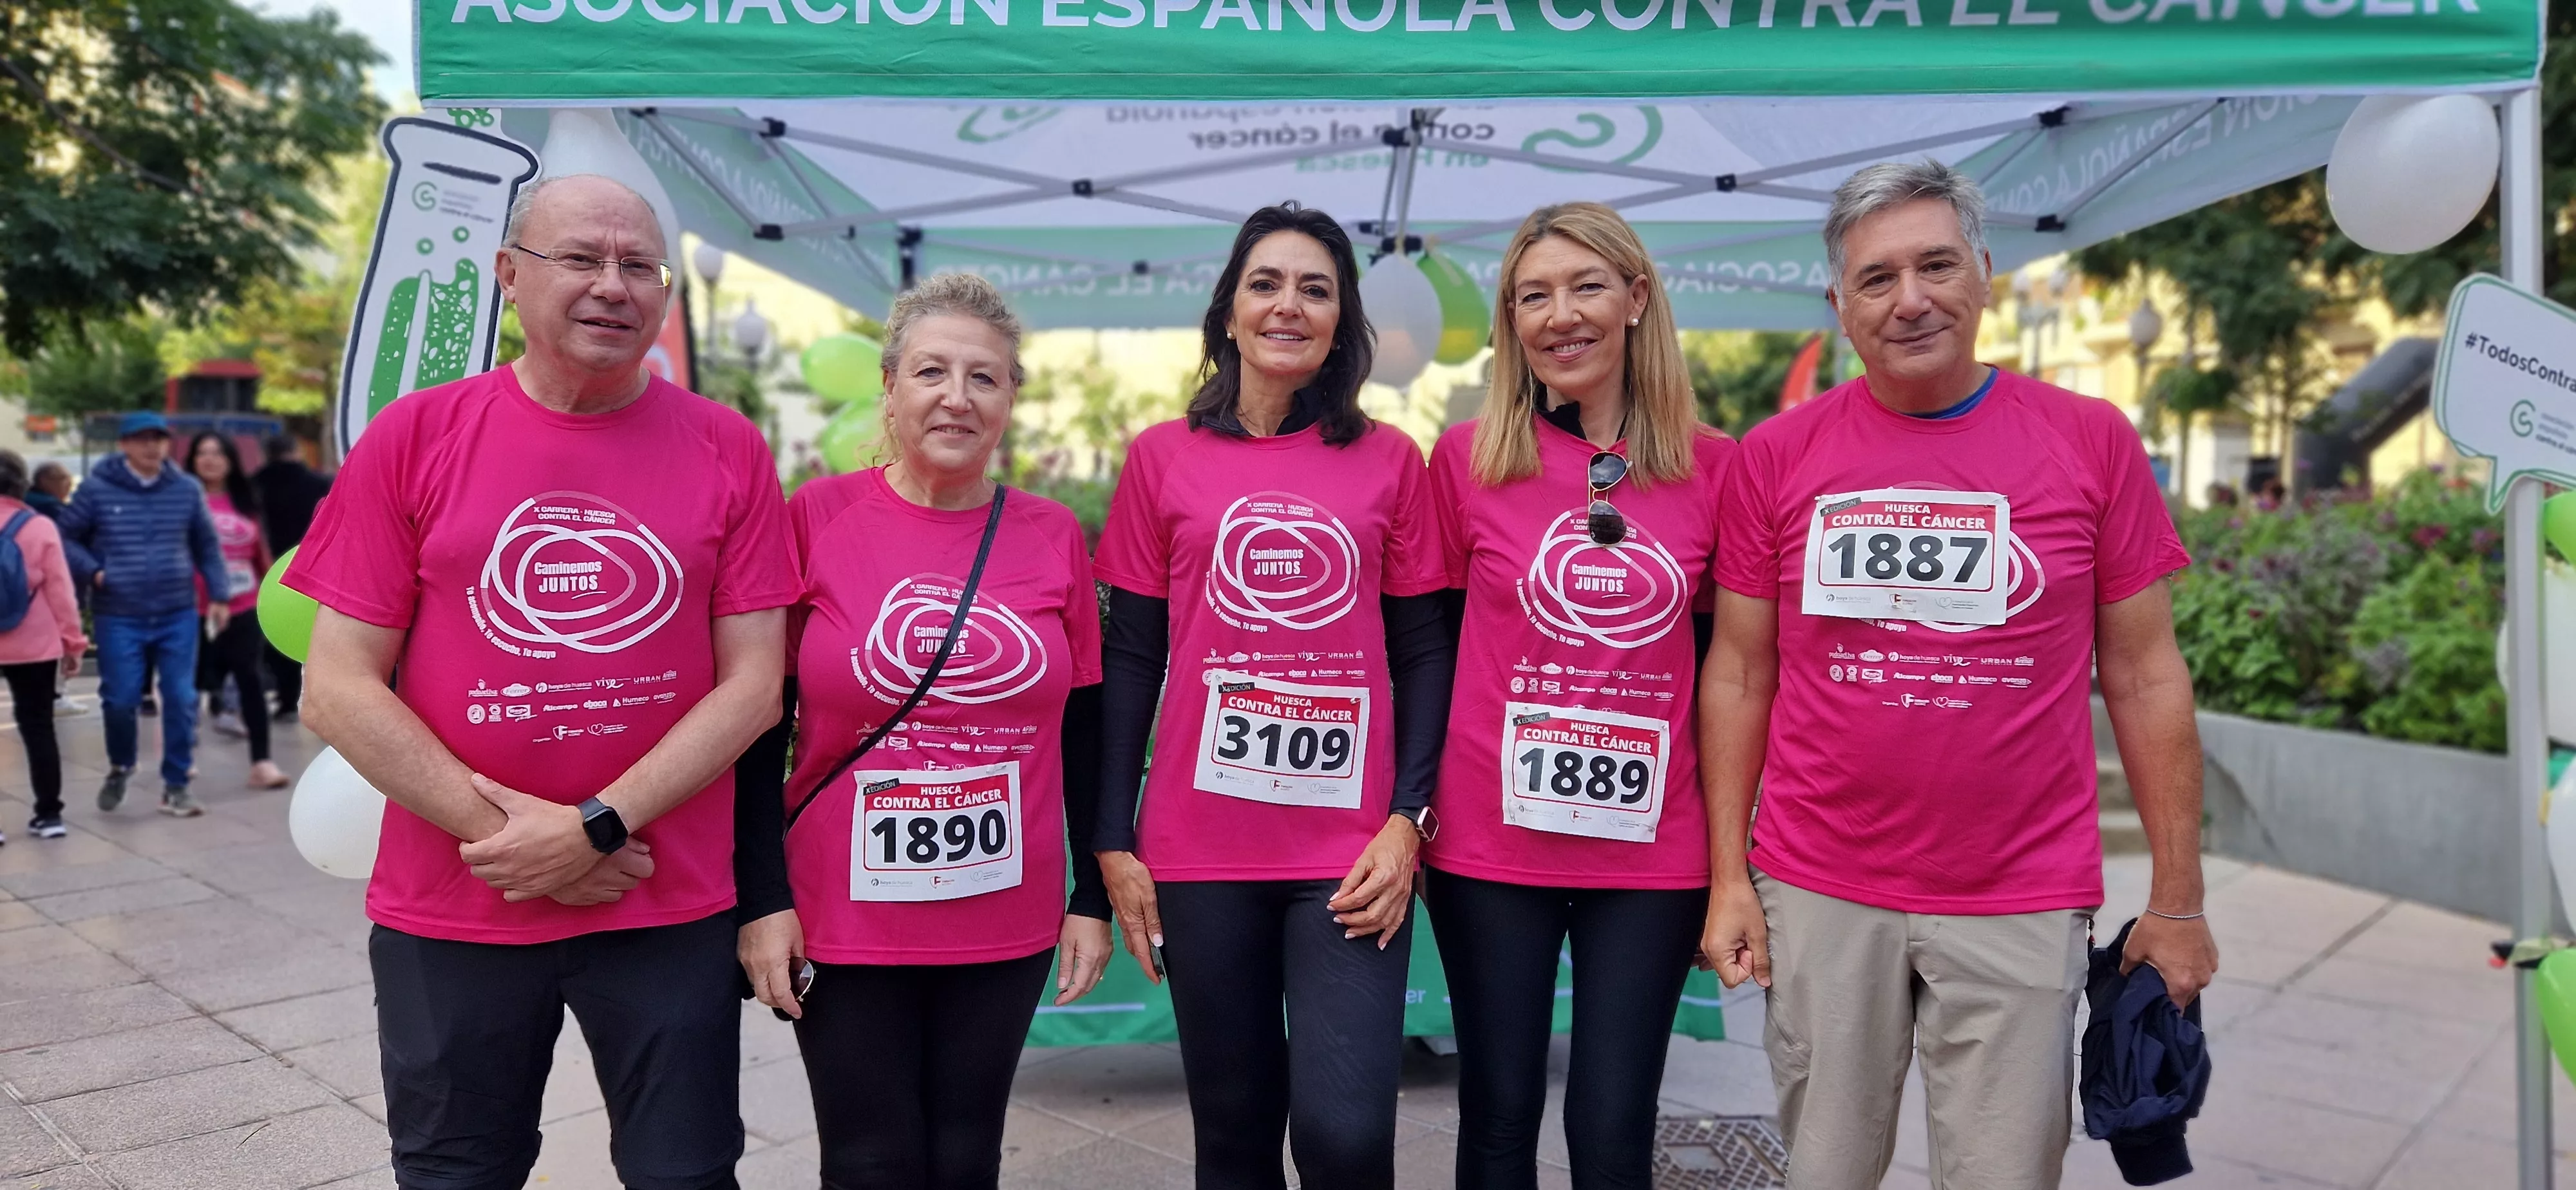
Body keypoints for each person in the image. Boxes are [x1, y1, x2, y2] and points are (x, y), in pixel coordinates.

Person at [1697, 160, 2218, 1190]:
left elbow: (2149, 676)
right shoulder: (1775, 454)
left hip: (2019, 893)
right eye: (1878, 278)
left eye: (1936, 264)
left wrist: (2181, 901)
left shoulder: (2091, 443)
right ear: (1840, 306)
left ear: (1983, 272)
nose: (1912, 299)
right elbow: (1740, 674)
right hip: (1819, 883)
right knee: (1826, 1171)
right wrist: (1729, 880)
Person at [289, 173, 795, 1190]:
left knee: (688, 1174)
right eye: (582, 258)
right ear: (509, 276)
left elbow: (754, 686)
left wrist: (597, 826)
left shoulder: (729, 446)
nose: (614, 284)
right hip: (459, 903)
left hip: (663, 901)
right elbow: (337, 684)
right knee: (454, 1174)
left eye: (638, 266)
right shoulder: (416, 438)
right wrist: (521, 840)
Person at [1093, 203, 1453, 1190]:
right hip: (1201, 850)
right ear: (1230, 310)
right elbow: (1130, 655)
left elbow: (1427, 652)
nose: (1288, 305)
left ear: (1343, 323)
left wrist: (1408, 818)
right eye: (1266, 283)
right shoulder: (1161, 457)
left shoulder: (1391, 462)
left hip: (1350, 852)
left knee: (1345, 1139)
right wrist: (1113, 838)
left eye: (1316, 288)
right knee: (1235, 1135)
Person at [734, 272, 1115, 1189]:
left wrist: (1092, 898)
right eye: (933, 373)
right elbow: (754, 724)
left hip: (1004, 908)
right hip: (843, 909)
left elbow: (1089, 726)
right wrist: (760, 899)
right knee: (870, 1159)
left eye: (984, 378)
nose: (957, 396)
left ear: (1012, 398)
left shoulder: (1053, 532)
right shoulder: (815, 518)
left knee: (965, 1153)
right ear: (892, 389)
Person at [1425, 202, 1736, 1190]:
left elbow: (1736, 670)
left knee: (1614, 1130)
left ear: (1638, 299)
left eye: (1587, 286)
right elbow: (1425, 648)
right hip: (1489, 843)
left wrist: (1739, 859)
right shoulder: (1466, 460)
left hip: (1651, 854)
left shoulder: (1718, 467)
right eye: (1533, 296)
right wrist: (1409, 811)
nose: (1562, 315)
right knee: (1499, 1118)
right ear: (1512, 325)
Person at [57, 411, 230, 818]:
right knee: (119, 699)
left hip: (177, 612)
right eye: (141, 439)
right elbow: (64, 536)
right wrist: (95, 572)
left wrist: (220, 594)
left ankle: (176, 784)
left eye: (158, 438)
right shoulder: (98, 490)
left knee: (182, 698)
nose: (151, 446)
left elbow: (206, 544)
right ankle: (121, 765)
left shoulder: (186, 490)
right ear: (125, 445)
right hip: (120, 614)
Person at [185, 431, 288, 789]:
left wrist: (276, 596)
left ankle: (262, 762)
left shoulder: (246, 503)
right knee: (189, 685)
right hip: (192, 608)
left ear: (231, 460)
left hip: (244, 604)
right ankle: (183, 757)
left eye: (218, 453)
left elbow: (261, 555)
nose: (210, 459)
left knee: (251, 680)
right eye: (203, 453)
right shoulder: (184, 499)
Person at [0, 452, 86, 843]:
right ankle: (49, 815)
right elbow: (61, 593)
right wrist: (73, 643)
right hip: (34, 644)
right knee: (38, 728)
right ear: (23, 485)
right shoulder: (40, 527)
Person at [254, 434, 330, 721]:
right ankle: (301, 695)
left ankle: (279, 694)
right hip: (313, 566)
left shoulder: (255, 485)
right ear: (296, 451)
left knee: (271, 632)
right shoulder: (319, 483)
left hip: (264, 568)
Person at [28, 461, 93, 719]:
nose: (67, 487)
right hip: (52, 585)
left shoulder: (27, 506)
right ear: (49, 482)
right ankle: (55, 695)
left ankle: (45, 694)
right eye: (64, 481)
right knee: (55, 639)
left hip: (25, 589)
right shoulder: (53, 511)